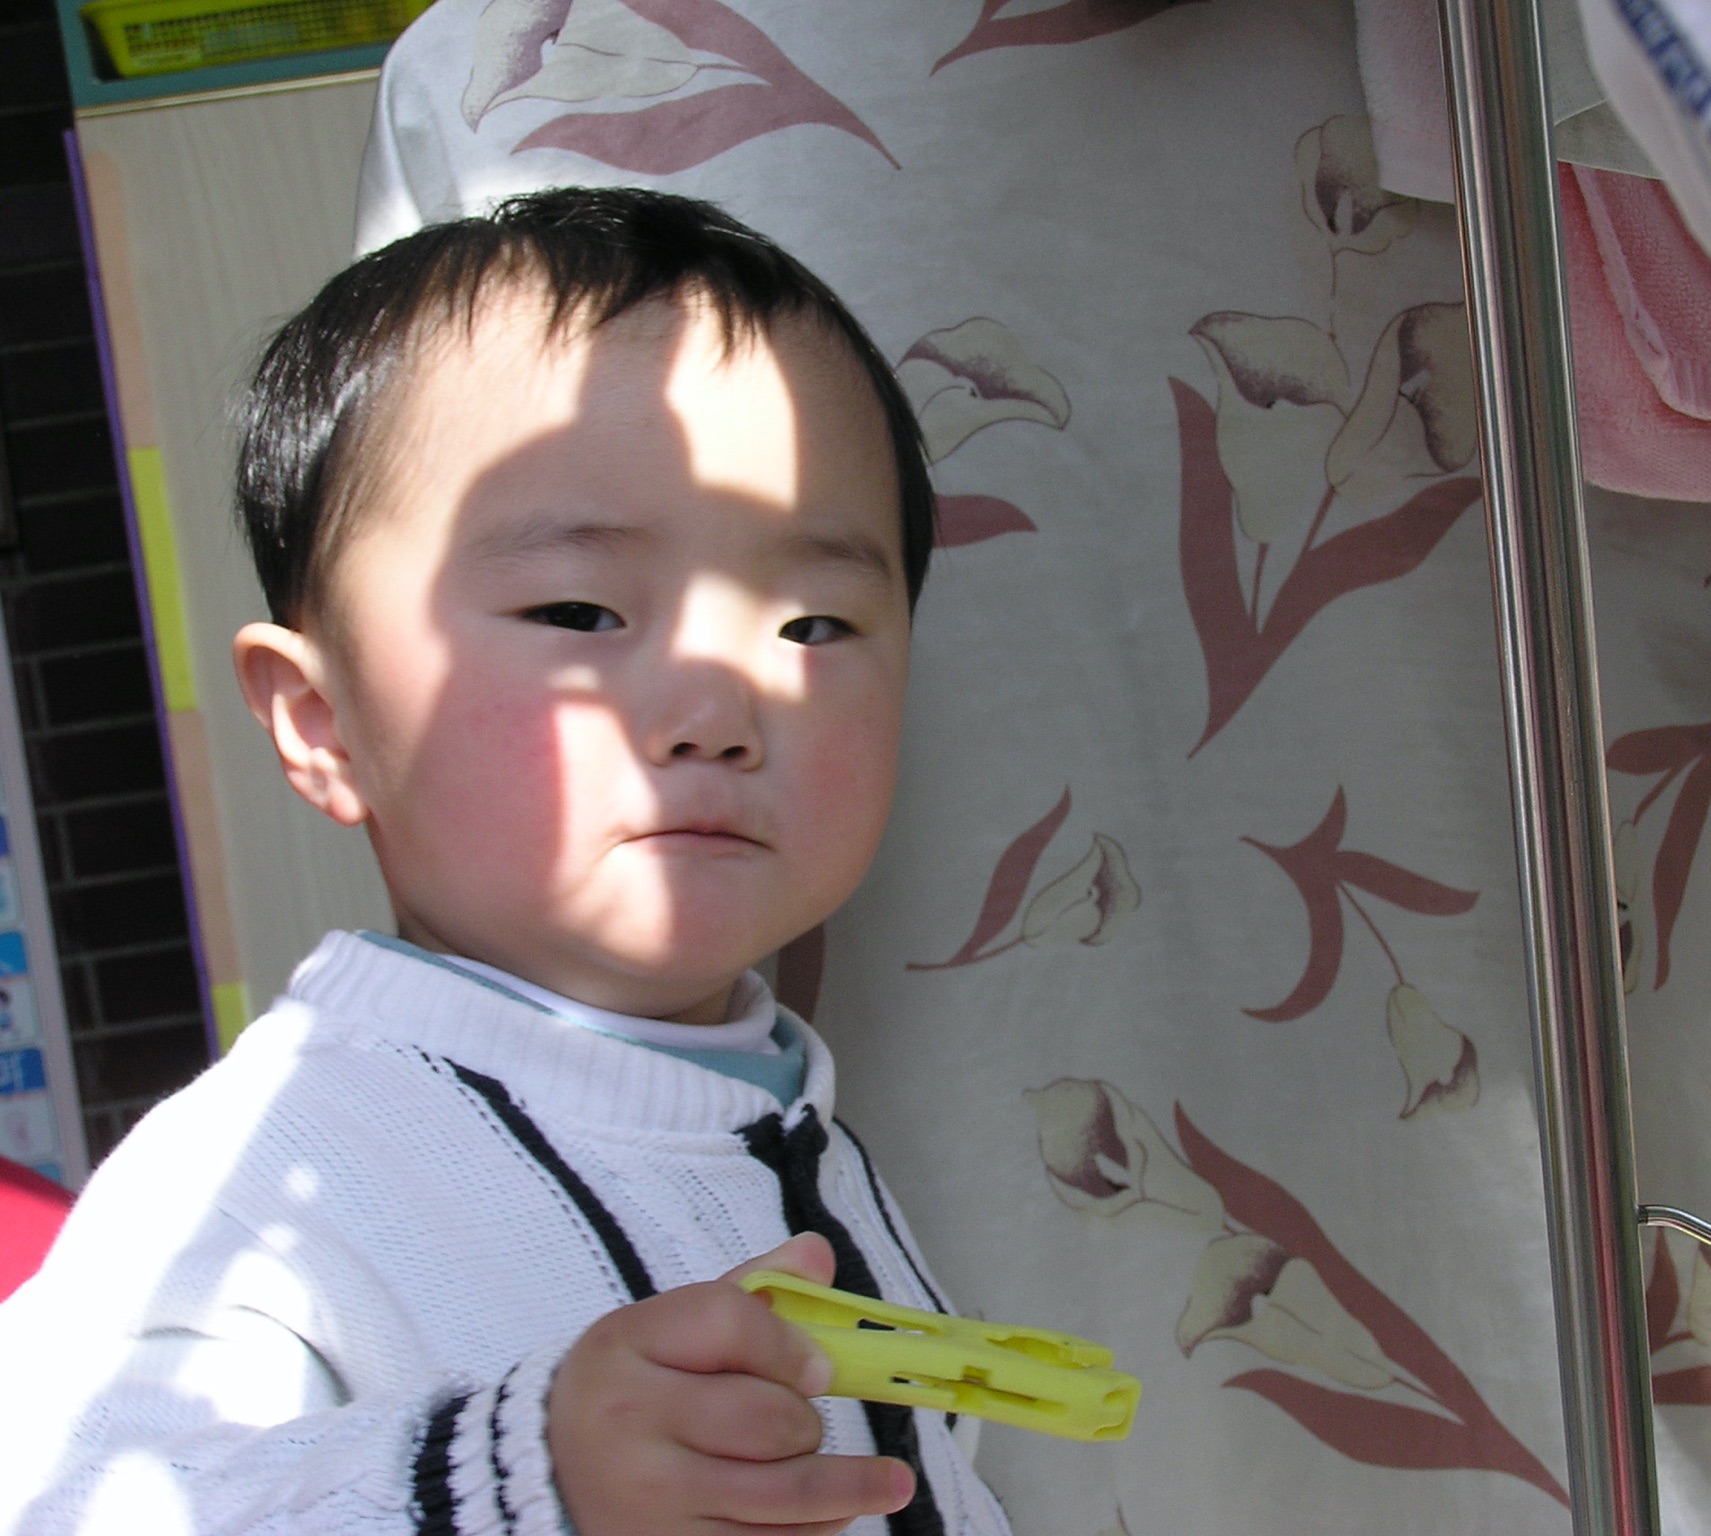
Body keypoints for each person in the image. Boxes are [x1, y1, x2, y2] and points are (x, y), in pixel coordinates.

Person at [0, 187, 1010, 1536]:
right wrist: (516, 1475)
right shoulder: (268, 1169)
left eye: (814, 624)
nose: (719, 708)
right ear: (323, 720)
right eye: (578, 610)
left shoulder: (771, 1114)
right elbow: (76, 1501)